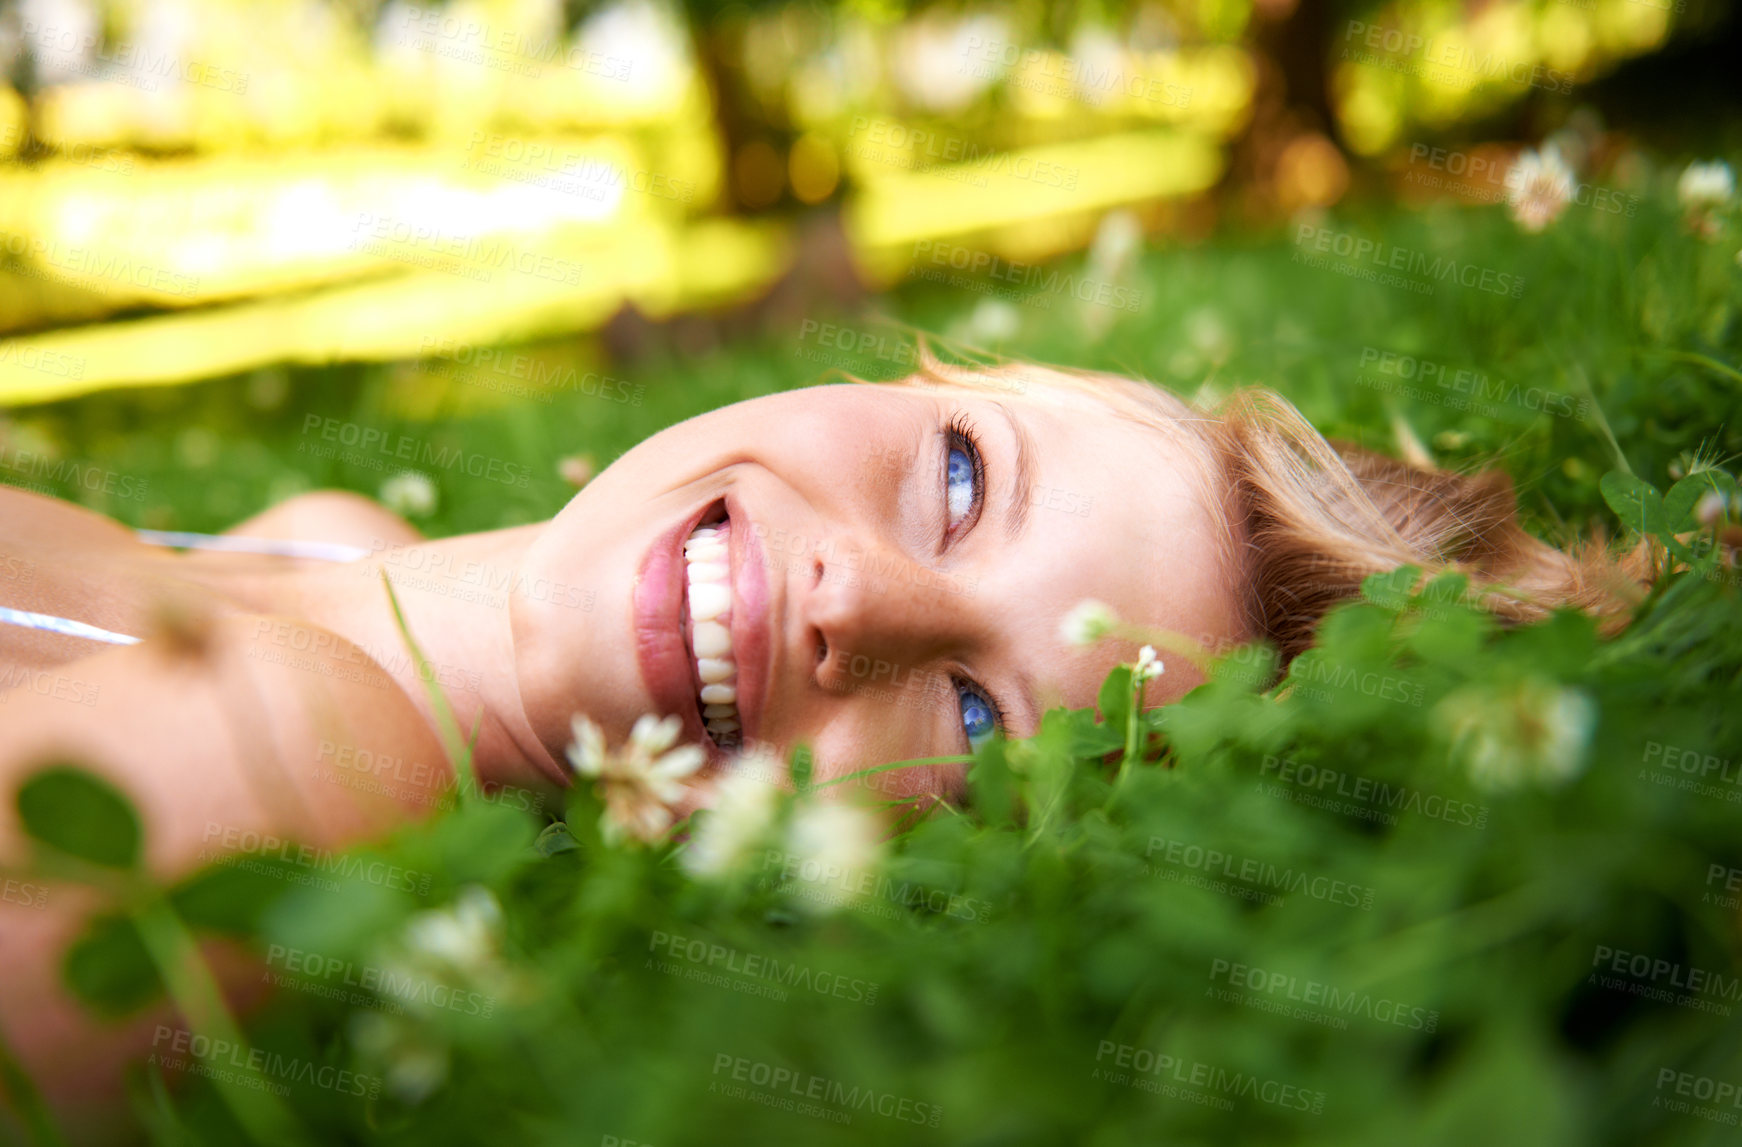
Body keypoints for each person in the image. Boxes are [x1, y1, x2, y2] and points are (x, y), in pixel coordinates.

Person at [0, 354, 1643, 1130]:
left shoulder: (290, 760)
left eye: (985, 723)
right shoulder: (320, 542)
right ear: (915, 373)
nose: (857, 593)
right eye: (958, 478)